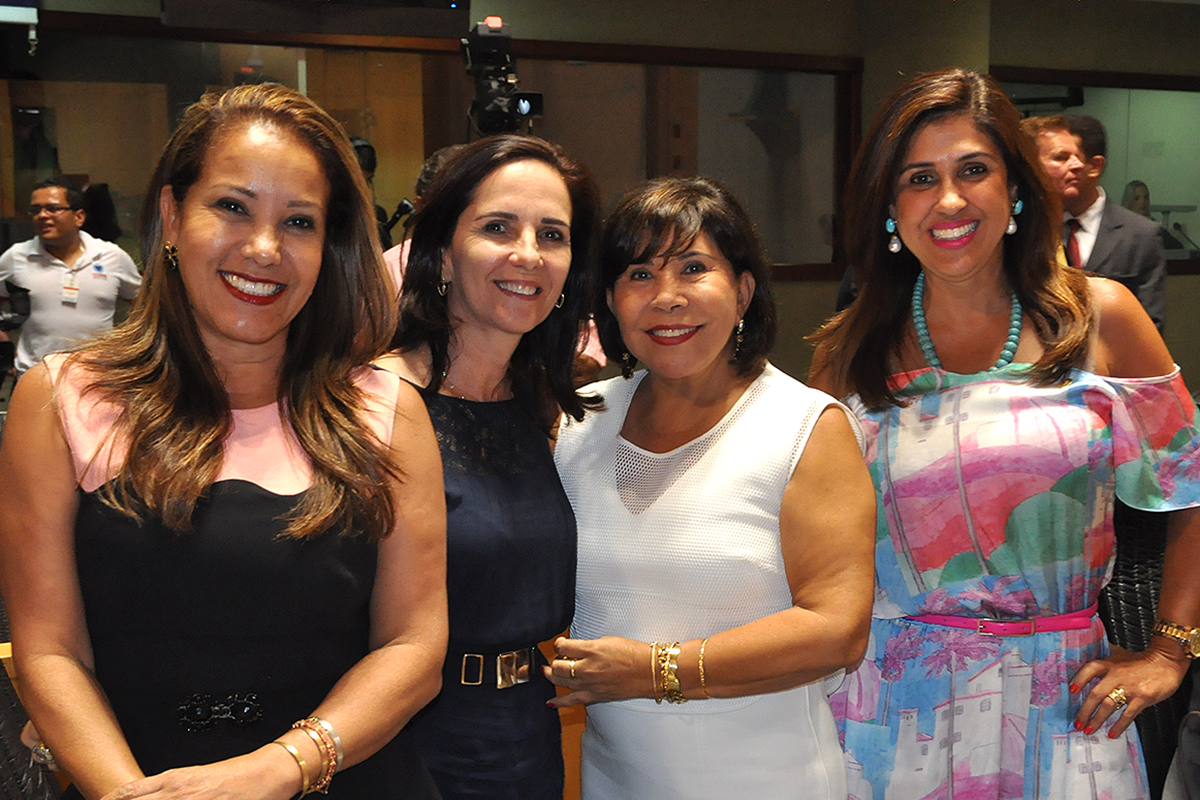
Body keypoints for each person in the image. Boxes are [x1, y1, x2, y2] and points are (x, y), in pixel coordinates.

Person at [0, 84, 447, 799]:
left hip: (346, 779)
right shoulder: (61, 399)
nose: (265, 248)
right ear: (173, 216)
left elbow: (414, 647)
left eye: (299, 222)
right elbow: (49, 651)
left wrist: (280, 769)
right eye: (233, 207)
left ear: (325, 246)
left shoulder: (386, 411)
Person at [811, 68, 1200, 800]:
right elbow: (805, 531)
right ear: (889, 207)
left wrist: (1171, 652)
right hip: (887, 714)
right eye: (919, 177)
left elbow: (1192, 489)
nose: (949, 199)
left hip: (1061, 704)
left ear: (1016, 191)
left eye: (974, 171)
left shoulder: (1100, 319)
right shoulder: (848, 350)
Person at [549, 176, 876, 799]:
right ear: (610, 300)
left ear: (743, 289)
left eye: (694, 268)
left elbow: (838, 629)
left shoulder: (804, 426)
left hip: (767, 780)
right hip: (613, 779)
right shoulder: (579, 421)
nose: (666, 298)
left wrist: (654, 671)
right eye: (639, 275)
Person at [377, 134, 601, 800]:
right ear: (442, 255)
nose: (527, 254)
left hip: (525, 735)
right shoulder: (373, 402)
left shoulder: (543, 407)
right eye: (498, 227)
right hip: (405, 742)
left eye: (552, 234)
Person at [1022, 114, 1167, 332]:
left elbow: (1150, 327)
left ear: (1096, 166)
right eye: (1061, 157)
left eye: (1077, 156)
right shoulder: (1026, 229)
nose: (1076, 165)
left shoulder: (1141, 235)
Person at [0, 177, 141, 376]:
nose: (42, 215)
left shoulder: (111, 257)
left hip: (97, 378)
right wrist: (5, 354)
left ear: (79, 217)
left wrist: (130, 350)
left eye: (52, 208)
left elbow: (145, 306)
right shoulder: (17, 257)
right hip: (35, 378)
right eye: (35, 210)